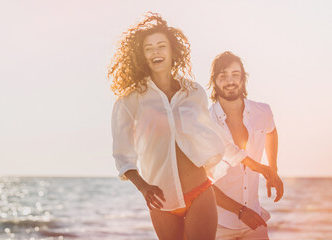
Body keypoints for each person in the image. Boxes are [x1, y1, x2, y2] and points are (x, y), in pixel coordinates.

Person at [109, 13, 279, 240]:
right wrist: (143, 187)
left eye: (161, 46)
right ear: (142, 55)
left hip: (200, 190)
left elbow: (217, 137)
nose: (156, 52)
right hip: (162, 200)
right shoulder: (129, 101)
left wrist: (259, 166)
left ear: (172, 52)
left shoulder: (193, 92)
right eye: (149, 48)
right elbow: (122, 155)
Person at [207, 51, 284, 240]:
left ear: (243, 79)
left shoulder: (262, 111)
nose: (230, 81)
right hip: (218, 224)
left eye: (235, 74)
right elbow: (202, 183)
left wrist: (272, 170)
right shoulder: (206, 122)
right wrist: (240, 211)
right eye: (223, 76)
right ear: (214, 81)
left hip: (254, 219)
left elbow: (271, 131)